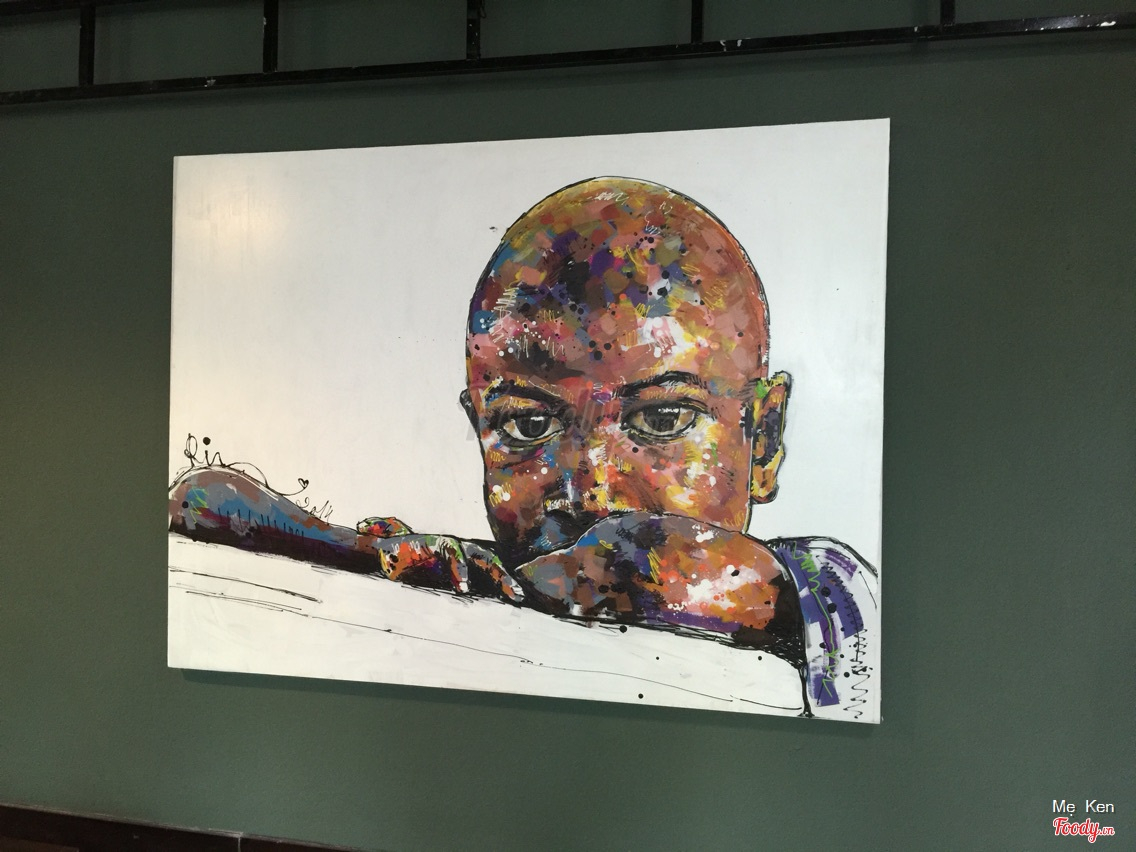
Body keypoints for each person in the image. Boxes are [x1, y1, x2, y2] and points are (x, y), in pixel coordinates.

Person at [169, 177, 877, 714]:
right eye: (529, 427)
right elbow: (204, 503)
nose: (592, 488)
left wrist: (767, 595)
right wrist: (359, 553)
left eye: (662, 421)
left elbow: (826, 612)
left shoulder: (835, 607)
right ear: (480, 430)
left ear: (765, 438)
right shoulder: (465, 592)